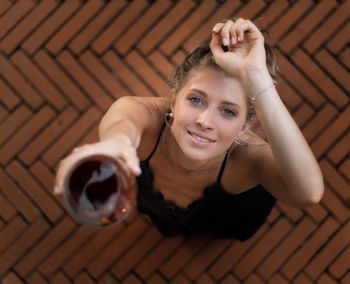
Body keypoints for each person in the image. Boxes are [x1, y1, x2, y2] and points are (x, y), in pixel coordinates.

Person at [55, 19, 324, 241]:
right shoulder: (143, 116)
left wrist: (257, 78)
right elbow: (121, 126)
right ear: (173, 100)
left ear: (245, 126)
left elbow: (309, 194)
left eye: (228, 111)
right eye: (196, 100)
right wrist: (115, 145)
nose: (205, 121)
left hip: (231, 214)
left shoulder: (250, 159)